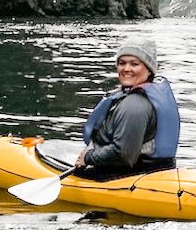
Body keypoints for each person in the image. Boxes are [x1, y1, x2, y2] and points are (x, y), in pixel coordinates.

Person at [74, 48, 181, 179]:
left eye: (134, 64)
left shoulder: (134, 105)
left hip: (130, 177)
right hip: (155, 172)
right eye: (122, 63)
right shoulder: (138, 96)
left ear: (149, 69)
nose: (126, 68)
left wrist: (88, 157)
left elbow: (124, 154)